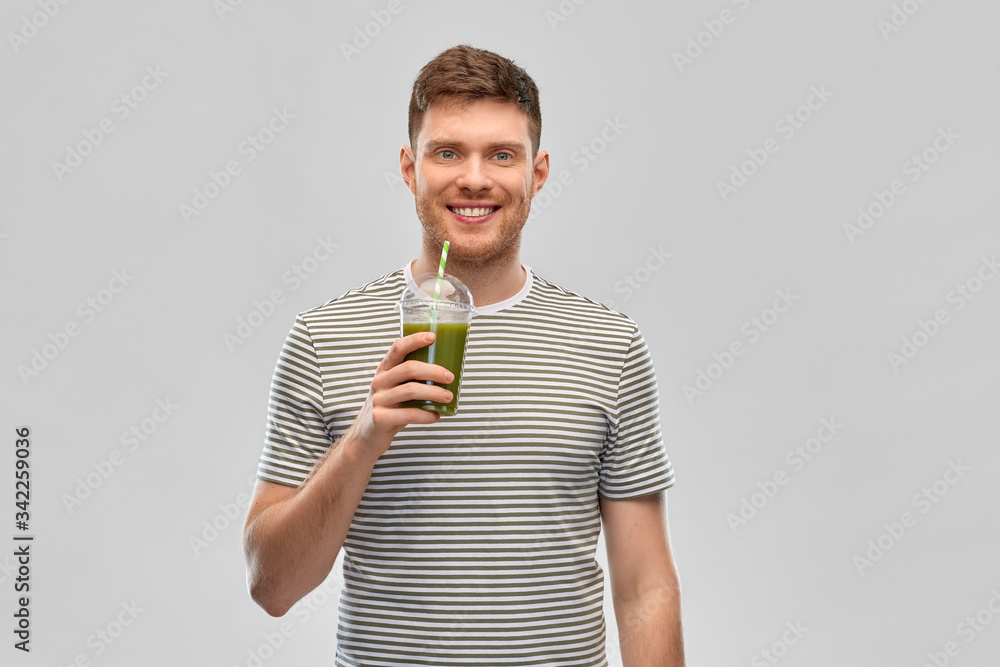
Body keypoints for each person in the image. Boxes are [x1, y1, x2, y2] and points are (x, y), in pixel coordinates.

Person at [242, 44, 684, 666]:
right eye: (447, 152)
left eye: (501, 155)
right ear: (409, 168)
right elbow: (272, 587)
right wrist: (363, 438)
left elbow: (645, 587)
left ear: (537, 172)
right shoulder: (324, 337)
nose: (474, 178)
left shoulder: (608, 344)